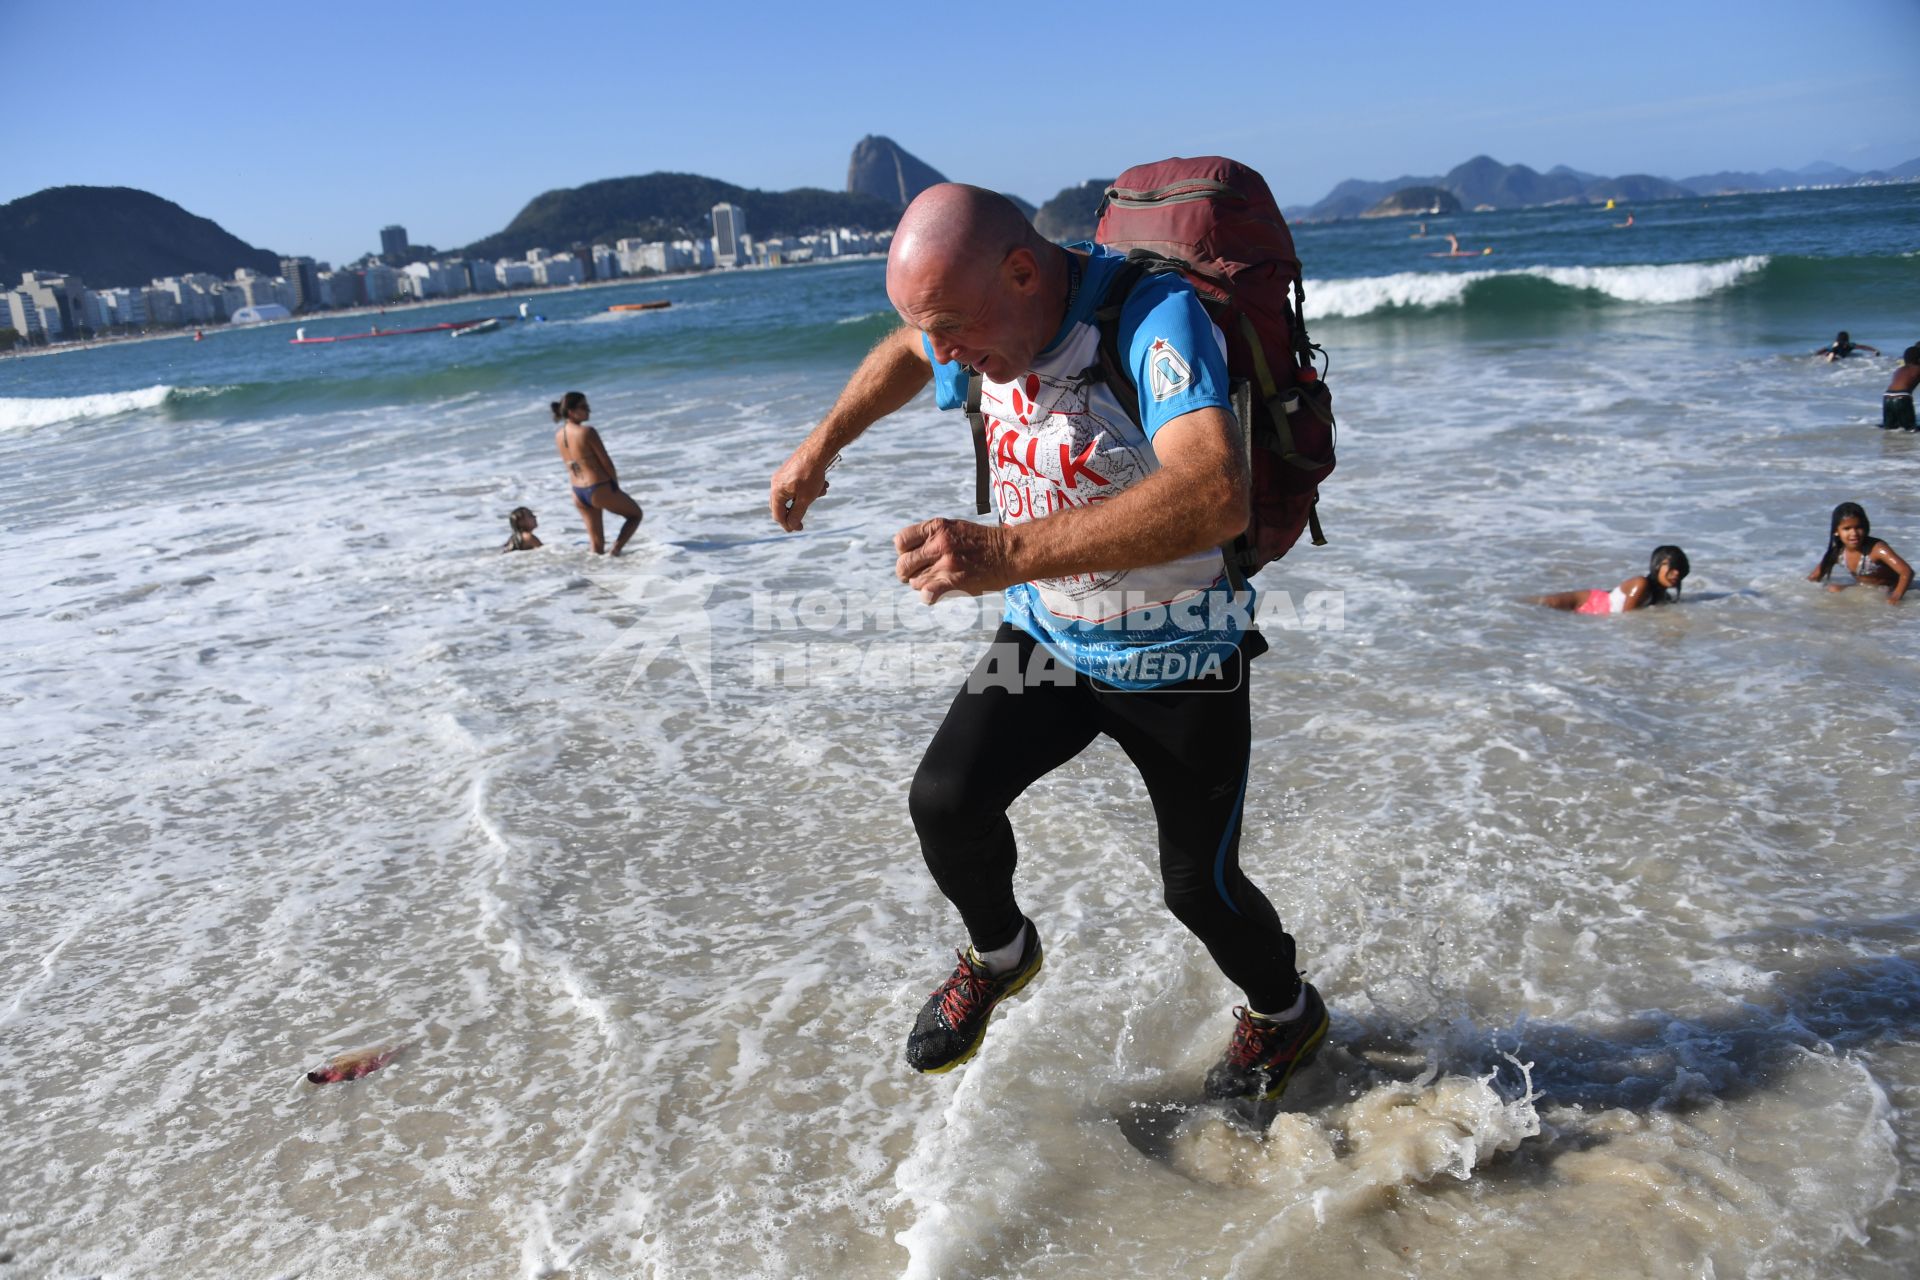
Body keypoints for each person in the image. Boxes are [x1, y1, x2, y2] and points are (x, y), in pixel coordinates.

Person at [767, 184, 1326, 1106]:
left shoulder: (1154, 321)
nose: (947, 358)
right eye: (933, 331)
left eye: (954, 330)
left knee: (1199, 889)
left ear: (1022, 272)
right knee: (945, 803)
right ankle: (1002, 954)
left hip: (1178, 661)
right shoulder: (979, 320)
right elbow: (911, 350)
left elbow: (1213, 492)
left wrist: (1004, 551)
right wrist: (821, 446)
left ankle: (1285, 1012)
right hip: (1049, 641)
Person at [552, 391, 643, 555]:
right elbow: (606, 462)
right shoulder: (587, 432)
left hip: (577, 492)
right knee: (635, 515)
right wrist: (615, 485)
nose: (589, 410)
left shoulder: (558, 435)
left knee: (596, 545)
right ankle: (615, 550)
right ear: (571, 411)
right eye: (584, 407)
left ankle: (596, 574)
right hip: (598, 487)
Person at [1808, 502, 1911, 605]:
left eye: (1858, 527)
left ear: (1865, 528)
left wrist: (1896, 597)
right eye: (1847, 528)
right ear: (1836, 531)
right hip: (1865, 588)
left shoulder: (1876, 549)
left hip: (1888, 589)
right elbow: (1814, 577)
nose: (1854, 533)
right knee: (1833, 589)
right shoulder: (1838, 552)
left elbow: (1906, 572)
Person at [1537, 546, 1691, 613]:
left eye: (1679, 568)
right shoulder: (1641, 584)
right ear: (1656, 565)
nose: (1676, 573)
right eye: (1669, 566)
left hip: (1593, 607)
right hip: (1584, 602)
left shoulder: (1663, 595)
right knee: (1530, 605)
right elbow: (1627, 618)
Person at [1882, 347, 1919, 431]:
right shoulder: (1917, 368)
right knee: (1911, 429)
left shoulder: (1899, 370)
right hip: (1902, 398)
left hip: (1887, 397)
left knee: (1890, 429)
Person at [1815, 331, 1880, 363]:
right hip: (1839, 353)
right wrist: (1874, 350)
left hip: (1835, 353)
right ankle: (1832, 356)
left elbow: (1821, 350)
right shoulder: (1849, 344)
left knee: (1832, 353)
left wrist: (1815, 355)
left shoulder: (1835, 344)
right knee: (1833, 353)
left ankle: (1831, 356)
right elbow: (1862, 347)